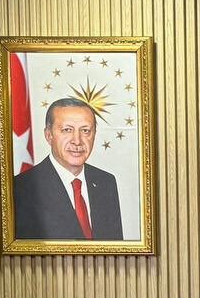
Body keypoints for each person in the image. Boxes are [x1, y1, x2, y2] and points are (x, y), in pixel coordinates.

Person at [12, 97, 124, 240]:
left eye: (85, 131)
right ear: (48, 135)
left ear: (94, 135)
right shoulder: (23, 188)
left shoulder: (105, 182)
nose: (77, 141)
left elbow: (115, 248)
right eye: (67, 130)